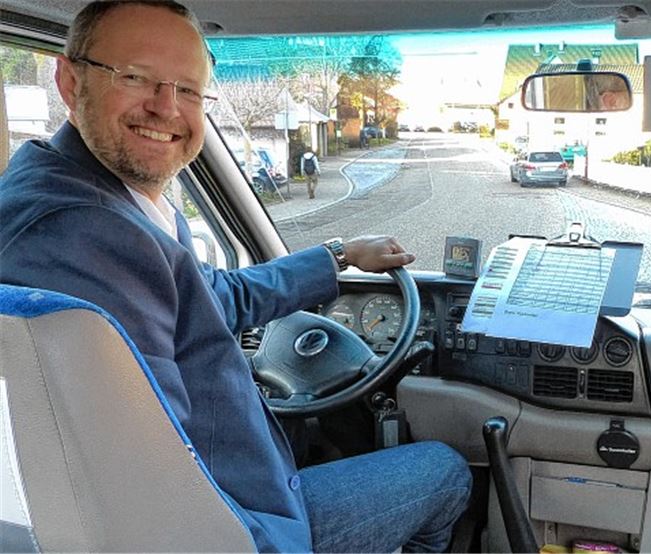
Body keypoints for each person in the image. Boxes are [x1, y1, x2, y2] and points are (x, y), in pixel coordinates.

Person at [0, 2, 471, 552]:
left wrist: (336, 255)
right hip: (242, 529)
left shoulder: (93, 193)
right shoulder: (84, 233)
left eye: (189, 91)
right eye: (135, 77)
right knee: (446, 470)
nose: (165, 108)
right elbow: (151, 481)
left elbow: (212, 295)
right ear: (69, 79)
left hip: (237, 497)